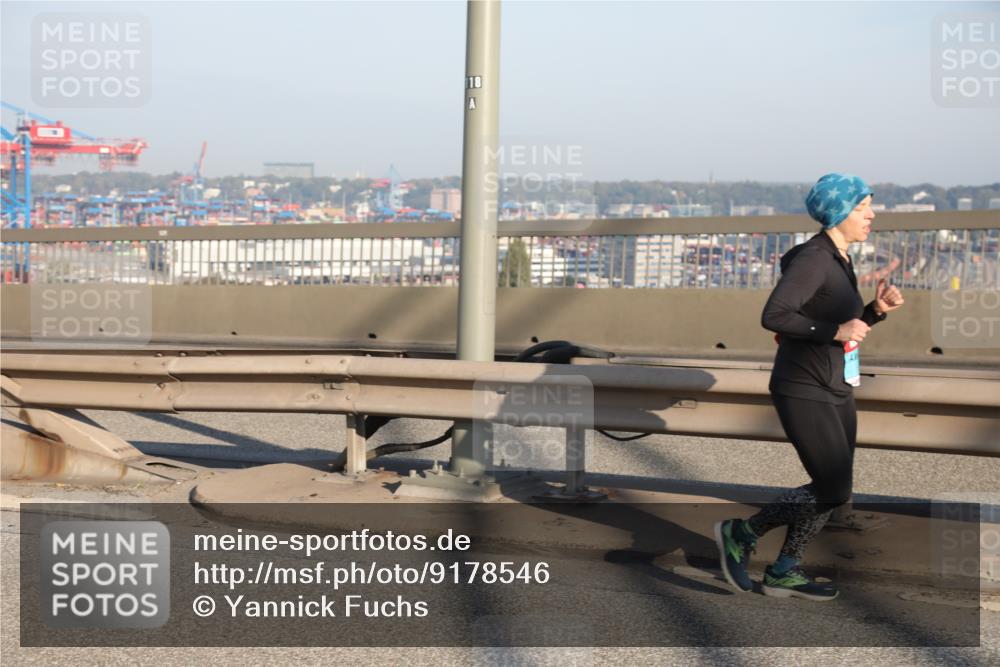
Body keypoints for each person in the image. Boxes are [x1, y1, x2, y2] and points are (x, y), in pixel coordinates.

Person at [715, 173, 905, 601]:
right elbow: (776, 315)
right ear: (838, 212)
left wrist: (874, 311)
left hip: (835, 384)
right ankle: (742, 532)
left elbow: (840, 329)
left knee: (832, 489)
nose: (871, 214)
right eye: (862, 207)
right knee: (832, 486)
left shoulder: (840, 258)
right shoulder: (815, 259)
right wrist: (836, 329)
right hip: (803, 385)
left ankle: (785, 569)